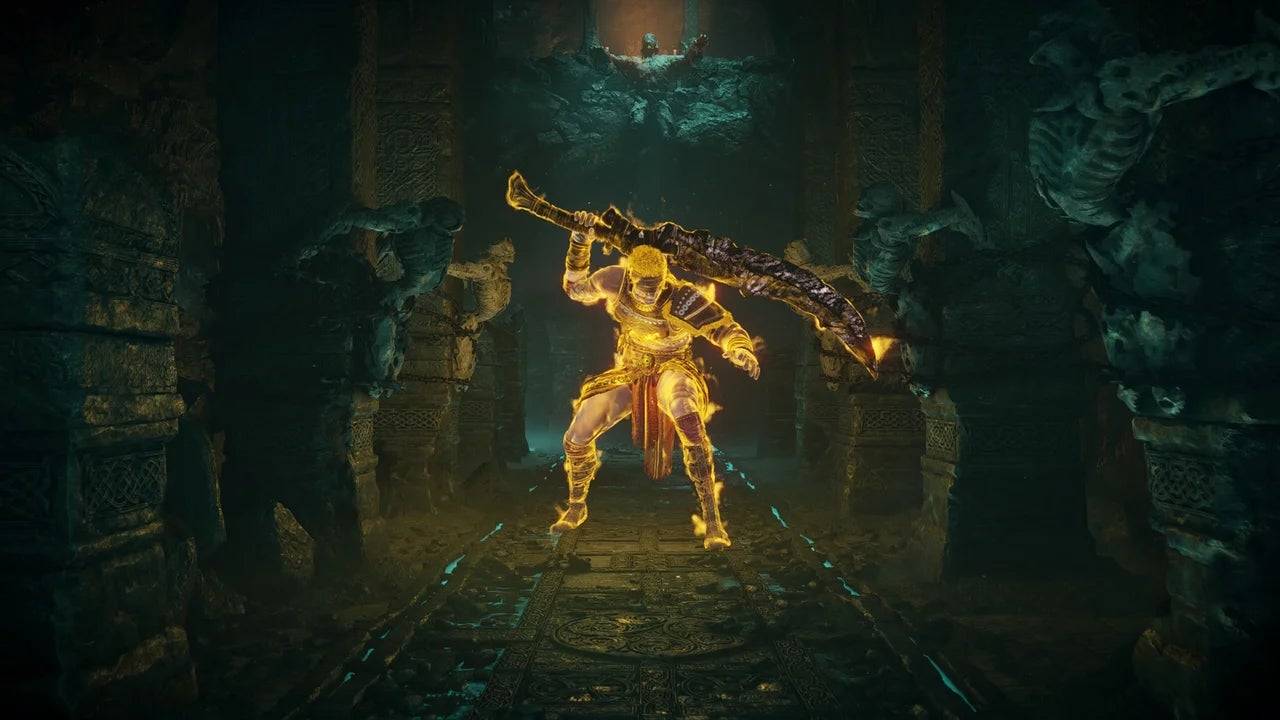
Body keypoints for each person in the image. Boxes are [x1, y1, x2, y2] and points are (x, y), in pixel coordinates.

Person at [551, 211, 759, 549]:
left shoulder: (684, 298)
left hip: (674, 367)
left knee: (686, 413)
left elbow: (724, 328)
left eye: (656, 289)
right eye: (642, 289)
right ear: (630, 278)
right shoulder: (612, 280)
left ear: (665, 280)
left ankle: (712, 521)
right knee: (576, 436)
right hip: (631, 368)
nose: (649, 296)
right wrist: (579, 242)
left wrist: (739, 349)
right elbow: (575, 289)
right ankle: (576, 506)